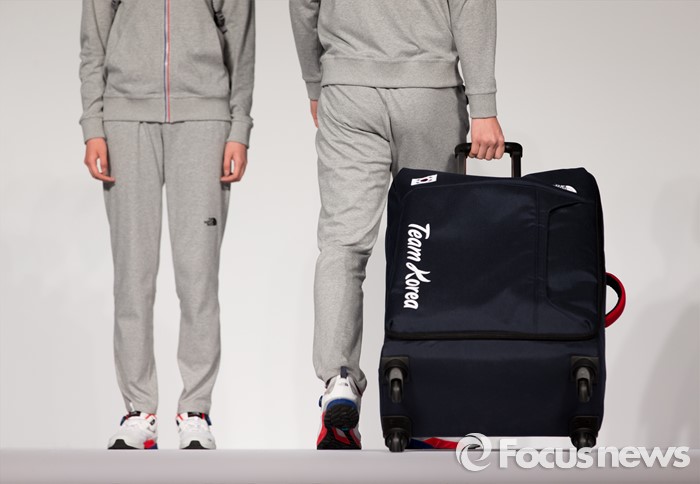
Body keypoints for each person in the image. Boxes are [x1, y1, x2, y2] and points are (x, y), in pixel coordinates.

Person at [290, 0, 505, 449]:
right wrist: (483, 105)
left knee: (343, 244)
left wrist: (316, 81)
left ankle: (339, 381)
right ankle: (422, 411)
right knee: (430, 249)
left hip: (347, 89)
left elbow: (304, 4)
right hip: (429, 90)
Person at [79, 0, 255, 450]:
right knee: (132, 279)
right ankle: (139, 410)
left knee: (198, 279)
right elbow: (94, 40)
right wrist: (93, 125)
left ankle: (195, 410)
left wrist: (239, 129)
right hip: (125, 120)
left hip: (205, 121)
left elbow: (240, 41)